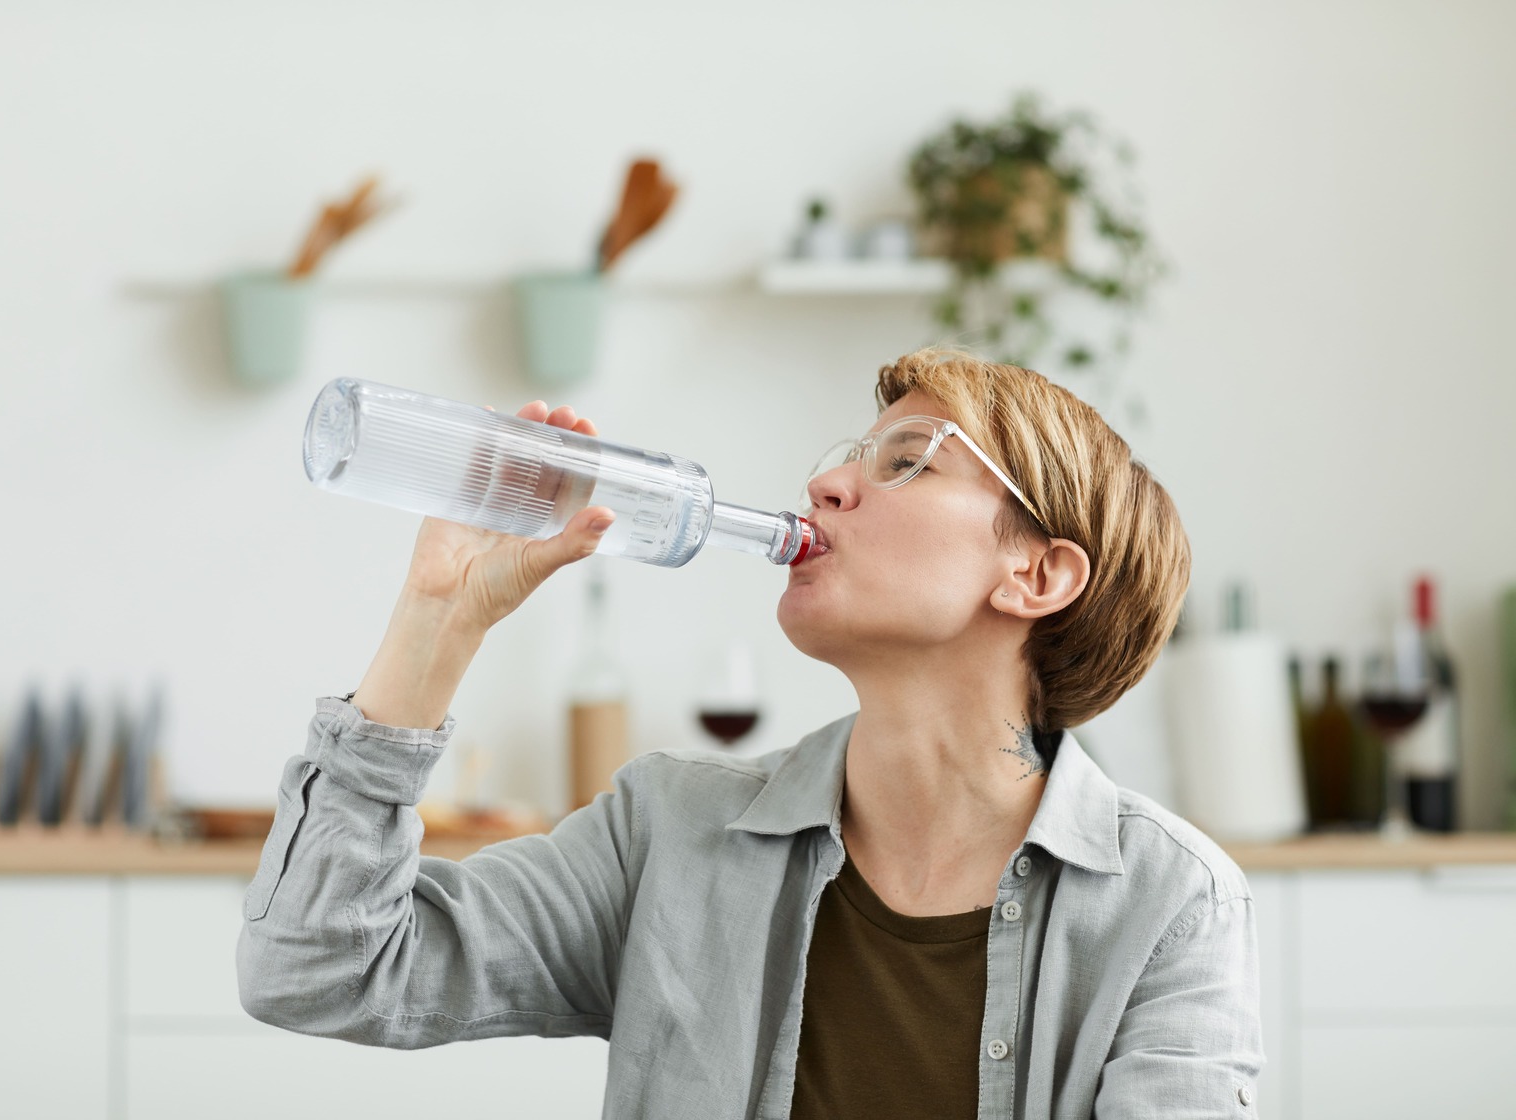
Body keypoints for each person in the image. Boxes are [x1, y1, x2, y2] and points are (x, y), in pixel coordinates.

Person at [237, 347, 1264, 1119]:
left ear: (1036, 574)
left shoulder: (1170, 906)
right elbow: (319, 969)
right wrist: (440, 614)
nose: (826, 486)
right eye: (848, 459)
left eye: (910, 462)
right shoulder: (667, 834)